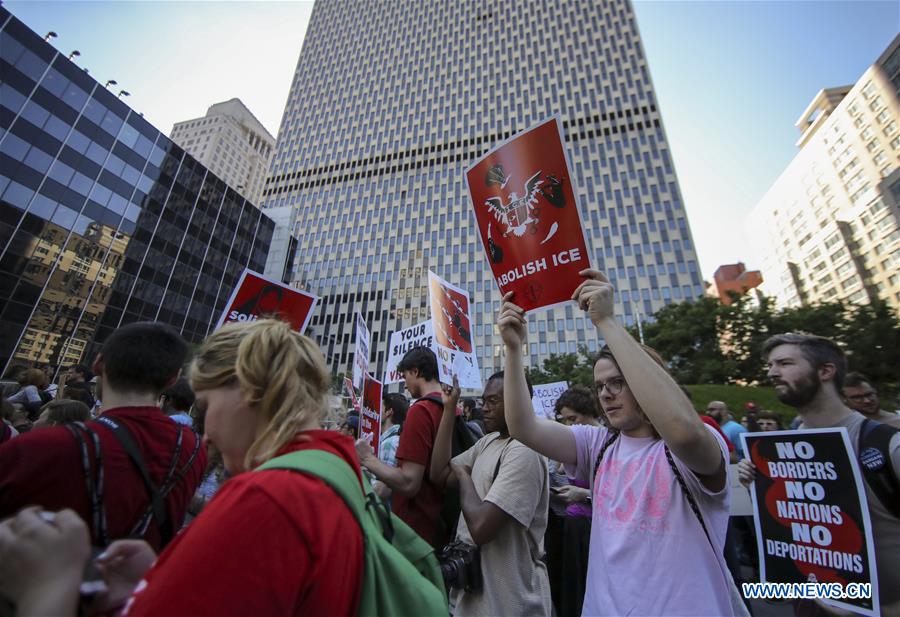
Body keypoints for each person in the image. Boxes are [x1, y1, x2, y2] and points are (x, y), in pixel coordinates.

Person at [0, 319, 365, 617]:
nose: (204, 438)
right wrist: (156, 582)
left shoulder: (269, 498)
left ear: (250, 388)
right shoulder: (332, 476)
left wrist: (48, 587)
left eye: (205, 408)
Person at [500, 270, 739, 616]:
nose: (606, 394)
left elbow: (683, 432)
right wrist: (512, 349)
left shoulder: (689, 447)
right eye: (599, 386)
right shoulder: (598, 446)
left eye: (618, 382)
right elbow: (523, 427)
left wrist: (607, 322)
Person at [0, 322, 207, 552]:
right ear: (173, 379)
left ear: (98, 364)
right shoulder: (194, 450)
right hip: (134, 583)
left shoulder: (36, 447)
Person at [738, 333, 900, 615]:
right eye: (770, 365)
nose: (772, 373)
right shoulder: (781, 452)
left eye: (785, 363)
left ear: (826, 371)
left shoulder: (888, 445)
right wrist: (758, 488)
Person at [430, 374, 551, 616]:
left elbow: (481, 527)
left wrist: (465, 476)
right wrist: (449, 409)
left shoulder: (525, 449)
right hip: (474, 599)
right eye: (484, 401)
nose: (484, 408)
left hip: (510, 600)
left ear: (519, 399)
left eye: (493, 401)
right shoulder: (488, 442)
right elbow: (440, 474)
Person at [355, 346, 448, 547]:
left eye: (405, 375)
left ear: (416, 372)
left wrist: (367, 458)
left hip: (415, 532)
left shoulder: (421, 410)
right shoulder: (451, 408)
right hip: (441, 525)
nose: (404, 384)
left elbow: (409, 482)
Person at [552, 385, 601, 617]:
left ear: (589, 412)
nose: (570, 427)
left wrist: (583, 494)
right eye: (565, 421)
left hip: (593, 529)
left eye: (573, 419)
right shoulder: (575, 442)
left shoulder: (607, 442)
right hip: (573, 525)